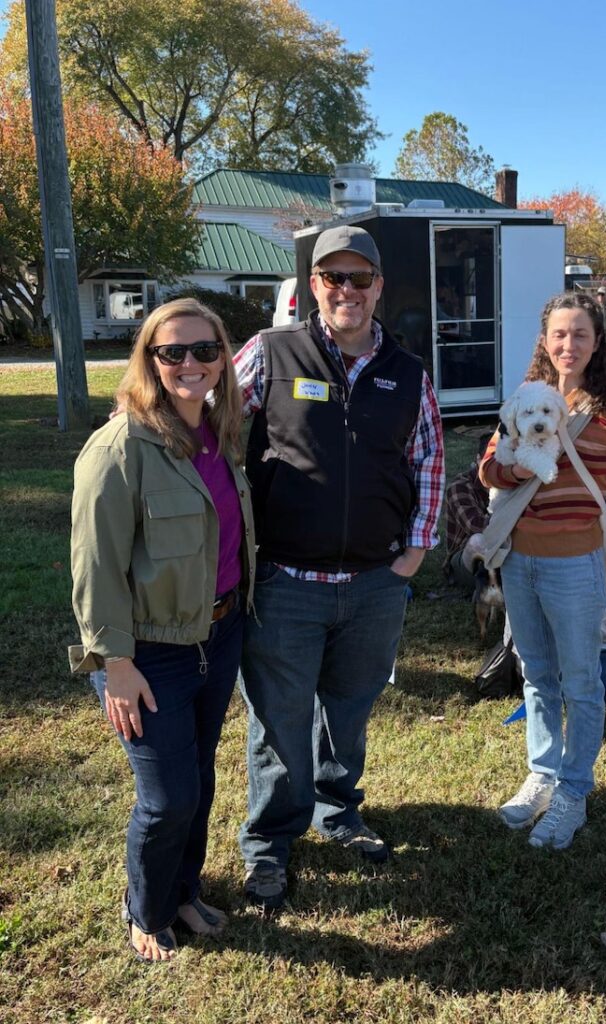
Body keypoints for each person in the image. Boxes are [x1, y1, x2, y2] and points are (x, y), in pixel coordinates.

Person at [233, 225, 444, 911]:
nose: (346, 291)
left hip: (374, 586)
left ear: (379, 286)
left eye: (359, 279)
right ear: (313, 285)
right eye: (333, 278)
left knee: (348, 711)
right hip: (285, 582)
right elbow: (209, 428)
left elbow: (429, 461)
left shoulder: (408, 372)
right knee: (278, 720)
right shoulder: (270, 354)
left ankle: (337, 810)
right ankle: (269, 841)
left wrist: (411, 554)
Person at [69, 298, 255, 961]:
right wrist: (114, 664)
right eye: (171, 351)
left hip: (221, 635)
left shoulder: (221, 431)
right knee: (167, 795)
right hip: (151, 653)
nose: (189, 364)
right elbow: (95, 568)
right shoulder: (119, 447)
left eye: (204, 350)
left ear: (223, 358)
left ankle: (183, 891)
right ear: (148, 359)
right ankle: (145, 911)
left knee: (198, 782)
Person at [480, 292, 606, 849]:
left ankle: (573, 790)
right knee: (535, 675)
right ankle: (542, 772)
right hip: (519, 561)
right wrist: (511, 463)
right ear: (544, 339)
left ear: (598, 341)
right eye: (558, 333)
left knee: (581, 682)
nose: (568, 345)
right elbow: (488, 468)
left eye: (580, 334)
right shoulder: (527, 398)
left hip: (575, 566)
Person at [444, 435, 491, 593]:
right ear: (478, 460)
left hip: (503, 549)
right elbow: (475, 526)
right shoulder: (459, 487)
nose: (496, 467)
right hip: (466, 558)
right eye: (490, 460)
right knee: (479, 540)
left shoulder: (513, 482)